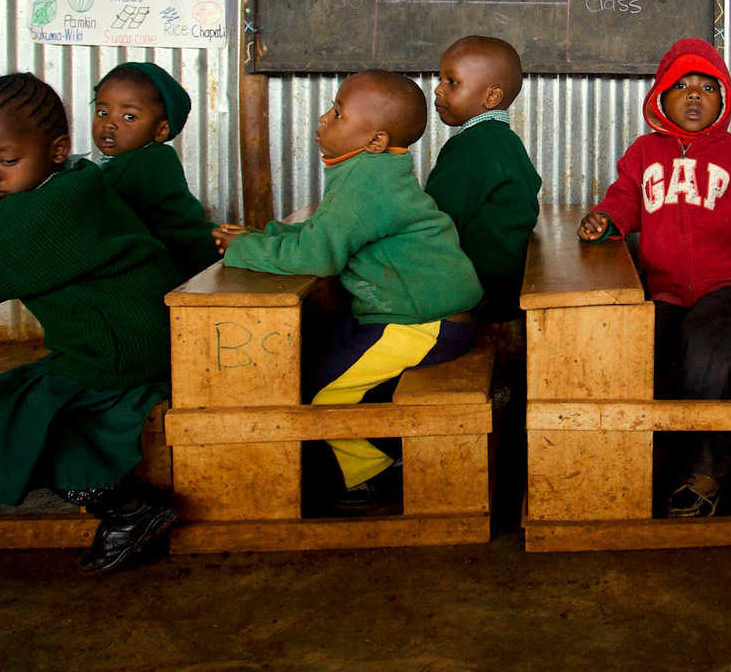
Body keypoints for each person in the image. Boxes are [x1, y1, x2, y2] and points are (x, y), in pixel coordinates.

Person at [0, 73, 180, 574]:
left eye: (6, 160)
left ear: (57, 149)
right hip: (125, 338)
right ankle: (122, 502)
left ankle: (127, 507)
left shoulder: (51, 203)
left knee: (9, 415)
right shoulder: (67, 185)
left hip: (117, 350)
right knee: (19, 407)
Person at [213, 70, 482, 511]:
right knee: (322, 361)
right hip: (407, 315)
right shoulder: (368, 172)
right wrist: (262, 236)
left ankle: (374, 476)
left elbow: (318, 255)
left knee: (324, 395)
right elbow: (325, 230)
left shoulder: (366, 182)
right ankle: (369, 459)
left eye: (337, 113)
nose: (322, 119)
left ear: (375, 140)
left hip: (422, 324)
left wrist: (245, 249)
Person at [576, 38, 731, 518]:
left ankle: (706, 468)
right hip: (668, 293)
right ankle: (627, 459)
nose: (695, 96)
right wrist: (605, 221)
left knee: (705, 344)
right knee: (630, 344)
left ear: (725, 100)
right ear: (660, 97)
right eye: (682, 86)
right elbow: (623, 200)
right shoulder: (642, 153)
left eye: (707, 88)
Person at [425, 36, 543, 324]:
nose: (438, 90)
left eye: (452, 82)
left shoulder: (471, 146)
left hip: (481, 293)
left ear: (491, 97)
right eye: (440, 80)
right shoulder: (507, 141)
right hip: (508, 285)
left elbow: (434, 218)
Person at [76, 62, 218, 279]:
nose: (109, 124)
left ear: (161, 130)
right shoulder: (131, 157)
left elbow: (91, 196)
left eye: (129, 117)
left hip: (187, 261)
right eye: (103, 112)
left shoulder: (146, 160)